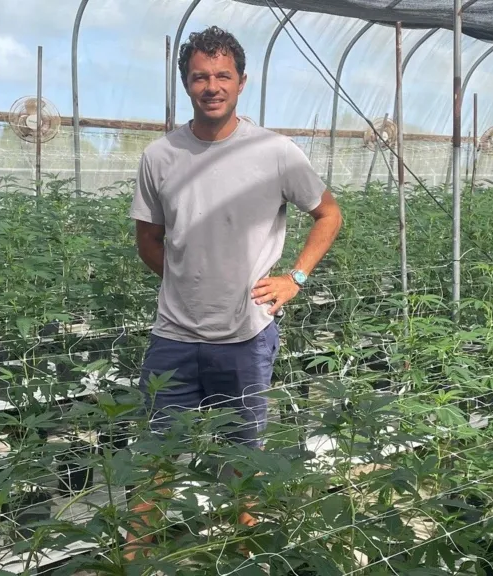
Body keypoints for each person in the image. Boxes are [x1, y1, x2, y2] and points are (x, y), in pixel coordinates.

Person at [124, 25, 343, 559]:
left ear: (242, 82)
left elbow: (329, 213)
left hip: (247, 334)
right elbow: (147, 239)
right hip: (173, 336)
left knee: (243, 455)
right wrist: (188, 280)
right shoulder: (160, 155)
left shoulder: (275, 152)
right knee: (156, 454)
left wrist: (296, 278)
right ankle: (132, 558)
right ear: (186, 84)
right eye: (200, 76)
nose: (211, 86)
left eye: (222, 75)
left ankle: (250, 554)